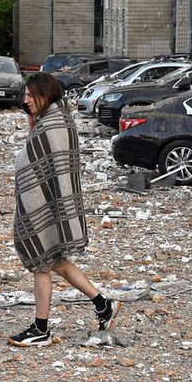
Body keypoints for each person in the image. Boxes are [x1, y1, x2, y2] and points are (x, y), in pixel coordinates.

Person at [9, 72, 121, 347]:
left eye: (30, 95)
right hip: (51, 204)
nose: (25, 100)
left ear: (43, 95)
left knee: (41, 264)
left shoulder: (53, 125)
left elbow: (31, 162)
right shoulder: (55, 119)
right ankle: (103, 304)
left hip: (45, 205)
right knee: (55, 261)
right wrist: (32, 123)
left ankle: (41, 330)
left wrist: (33, 129)